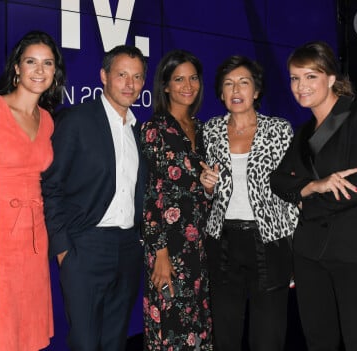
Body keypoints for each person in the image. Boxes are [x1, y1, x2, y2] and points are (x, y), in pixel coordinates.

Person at [270, 41, 357, 350]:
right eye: (295, 78)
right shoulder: (303, 133)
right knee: (318, 341)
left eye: (310, 76)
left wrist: (303, 197)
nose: (300, 86)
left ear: (330, 78)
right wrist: (313, 186)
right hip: (310, 254)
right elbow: (277, 181)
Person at [0, 30, 66, 350]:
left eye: (47, 63)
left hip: (34, 240)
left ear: (55, 72)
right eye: (31, 62)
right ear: (17, 68)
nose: (39, 70)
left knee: (26, 332)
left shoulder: (47, 120)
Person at [41, 45, 147, 351]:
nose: (130, 83)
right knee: (85, 343)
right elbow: (50, 186)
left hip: (128, 249)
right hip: (85, 247)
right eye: (122, 74)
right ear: (104, 76)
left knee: (115, 341)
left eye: (137, 77)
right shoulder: (76, 120)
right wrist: (63, 250)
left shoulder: (138, 130)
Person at [200, 55, 298, 351]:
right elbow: (208, 191)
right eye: (228, 84)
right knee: (225, 332)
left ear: (256, 91)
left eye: (244, 82)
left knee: (268, 335)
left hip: (269, 241)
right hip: (223, 239)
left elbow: (291, 193)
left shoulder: (279, 130)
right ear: (220, 93)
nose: (236, 90)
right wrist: (207, 189)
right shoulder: (211, 130)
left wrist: (295, 250)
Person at [141, 49, 212, 350]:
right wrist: (160, 255)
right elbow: (149, 196)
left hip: (199, 249)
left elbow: (205, 194)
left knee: (197, 329)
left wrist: (209, 189)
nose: (188, 85)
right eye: (179, 79)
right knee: (168, 330)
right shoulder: (154, 129)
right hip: (167, 250)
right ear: (166, 86)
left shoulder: (203, 130)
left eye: (193, 78)